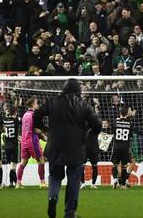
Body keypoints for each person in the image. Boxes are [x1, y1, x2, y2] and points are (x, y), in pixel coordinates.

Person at [34, 78, 102, 218]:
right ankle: (70, 212)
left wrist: (45, 129)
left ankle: (52, 197)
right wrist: (89, 135)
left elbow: (36, 115)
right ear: (78, 90)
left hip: (55, 144)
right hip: (76, 147)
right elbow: (98, 124)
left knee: (55, 175)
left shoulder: (53, 102)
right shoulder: (84, 105)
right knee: (74, 179)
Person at [16, 98, 46, 188]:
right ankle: (42, 182)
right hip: (32, 140)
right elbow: (36, 130)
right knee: (41, 160)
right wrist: (44, 137)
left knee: (23, 162)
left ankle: (18, 183)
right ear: (32, 105)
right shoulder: (34, 115)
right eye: (37, 103)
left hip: (24, 141)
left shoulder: (25, 115)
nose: (38, 105)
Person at [111, 105, 136, 188]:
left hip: (116, 146)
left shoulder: (115, 122)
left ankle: (115, 180)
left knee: (115, 164)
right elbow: (131, 135)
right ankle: (123, 184)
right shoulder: (130, 124)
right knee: (125, 166)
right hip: (125, 147)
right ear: (127, 113)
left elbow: (113, 131)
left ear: (120, 113)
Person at [1, 103, 20, 188]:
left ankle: (13, 183)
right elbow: (19, 119)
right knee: (13, 167)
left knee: (11, 166)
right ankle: (14, 183)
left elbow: (3, 121)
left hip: (6, 146)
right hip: (14, 145)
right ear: (15, 113)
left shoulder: (5, 120)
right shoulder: (16, 120)